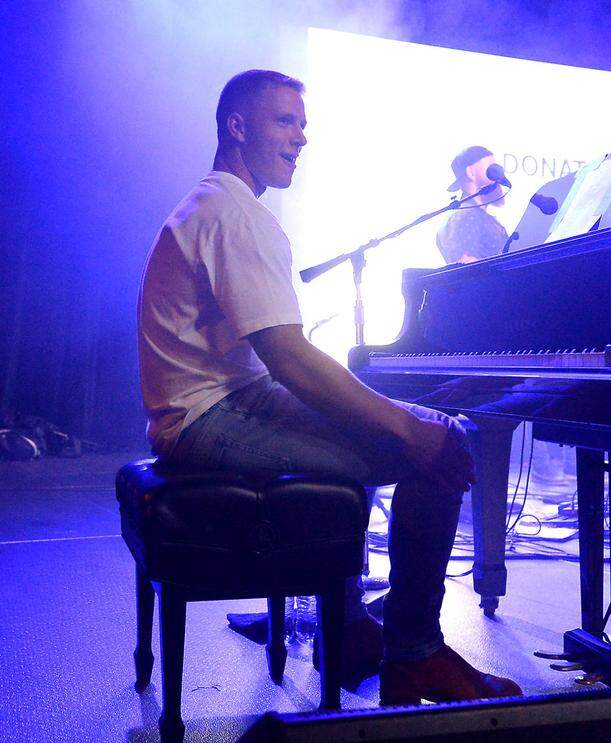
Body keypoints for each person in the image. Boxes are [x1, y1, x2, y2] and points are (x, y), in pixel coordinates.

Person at [136, 69, 521, 702]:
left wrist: (388, 418)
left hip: (214, 404)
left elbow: (278, 360)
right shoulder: (233, 212)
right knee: (437, 447)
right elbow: (287, 358)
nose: (301, 137)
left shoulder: (216, 204)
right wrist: (404, 427)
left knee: (410, 431)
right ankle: (415, 653)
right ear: (237, 127)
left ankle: (349, 629)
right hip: (208, 420)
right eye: (285, 121)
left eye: (303, 124)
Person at [436, 145, 509, 264]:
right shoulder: (465, 217)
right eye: (492, 170)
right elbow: (467, 265)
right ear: (470, 172)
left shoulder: (474, 215)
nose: (498, 176)